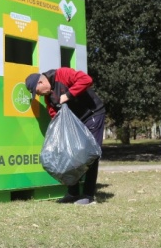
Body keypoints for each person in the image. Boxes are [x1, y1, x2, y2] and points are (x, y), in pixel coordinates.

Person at [25, 67, 105, 205]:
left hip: (93, 115)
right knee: (68, 155)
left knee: (90, 155)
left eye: (37, 92)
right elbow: (53, 114)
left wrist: (68, 95)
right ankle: (73, 192)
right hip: (76, 123)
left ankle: (88, 195)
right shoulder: (48, 98)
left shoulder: (62, 74)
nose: (39, 95)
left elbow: (86, 80)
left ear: (40, 83)